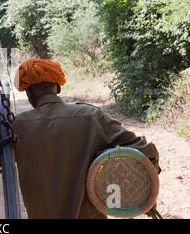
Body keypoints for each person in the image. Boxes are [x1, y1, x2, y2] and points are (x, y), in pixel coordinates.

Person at [12, 59, 161, 219]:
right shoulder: (90, 116)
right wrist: (141, 188)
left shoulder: (17, 126)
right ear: (58, 88)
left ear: (29, 93)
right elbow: (148, 151)